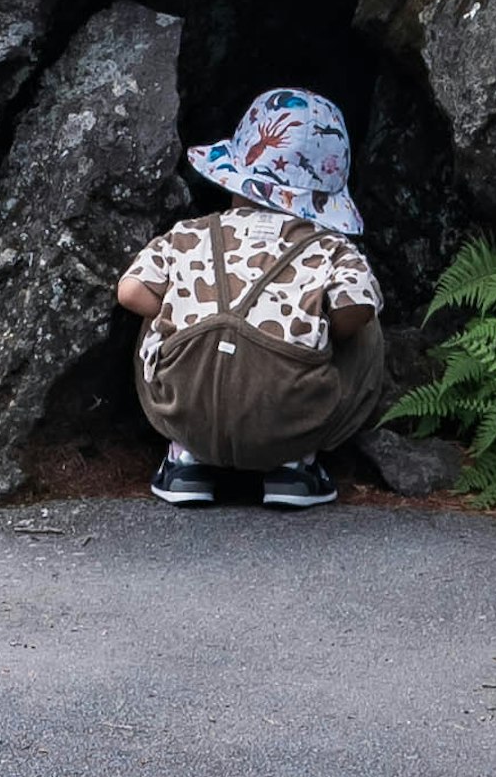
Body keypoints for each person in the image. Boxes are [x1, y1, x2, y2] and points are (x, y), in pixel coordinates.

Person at [115, 89, 387, 513]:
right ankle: (295, 465)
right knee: (366, 320)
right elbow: (355, 311)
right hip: (287, 416)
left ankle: (186, 458)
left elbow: (129, 292)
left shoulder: (190, 233)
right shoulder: (331, 249)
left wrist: (184, 316)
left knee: (159, 310)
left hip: (185, 407)